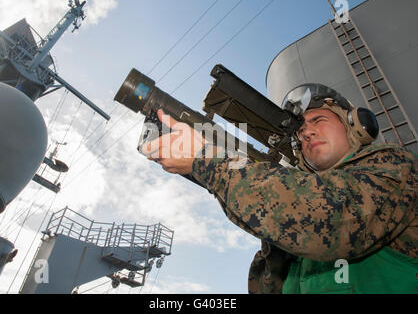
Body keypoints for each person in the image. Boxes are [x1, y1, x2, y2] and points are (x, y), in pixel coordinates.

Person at [141, 83, 417, 294]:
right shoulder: (291, 218)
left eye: (319, 120)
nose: (306, 132)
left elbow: (330, 216)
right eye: (301, 130)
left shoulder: (394, 166)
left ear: (355, 125)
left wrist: (209, 162)